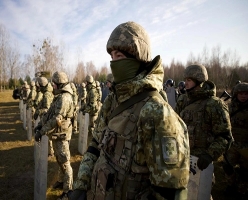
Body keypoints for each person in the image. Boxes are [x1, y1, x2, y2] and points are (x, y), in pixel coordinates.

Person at [70, 21, 189, 200]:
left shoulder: (157, 113)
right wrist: (81, 184)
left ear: (138, 57)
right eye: (112, 56)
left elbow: (169, 192)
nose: (113, 62)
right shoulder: (113, 100)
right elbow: (95, 144)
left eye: (119, 56)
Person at [175, 64, 233, 196]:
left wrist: (209, 155)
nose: (185, 83)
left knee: (200, 194)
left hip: (201, 163)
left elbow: (225, 137)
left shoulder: (214, 105)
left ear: (199, 81)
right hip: (181, 159)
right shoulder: (183, 100)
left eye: (189, 80)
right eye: (185, 80)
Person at [34, 71, 75, 199]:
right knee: (59, 159)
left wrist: (42, 131)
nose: (52, 85)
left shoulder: (65, 98)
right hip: (57, 134)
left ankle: (68, 191)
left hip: (62, 134)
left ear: (60, 84)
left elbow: (56, 119)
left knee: (65, 162)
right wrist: (40, 124)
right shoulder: (59, 96)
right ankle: (61, 181)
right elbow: (49, 113)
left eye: (54, 83)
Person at [223, 82, 248, 197]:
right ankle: (230, 186)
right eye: (241, 93)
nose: (243, 96)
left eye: (246, 94)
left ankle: (242, 190)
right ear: (236, 94)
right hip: (231, 144)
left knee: (244, 171)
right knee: (228, 167)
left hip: (245, 146)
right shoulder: (229, 107)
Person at [35, 76, 55, 157]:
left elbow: (46, 109)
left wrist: (38, 112)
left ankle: (50, 152)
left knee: (47, 135)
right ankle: (50, 151)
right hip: (46, 117)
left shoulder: (47, 94)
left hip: (47, 118)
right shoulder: (46, 92)